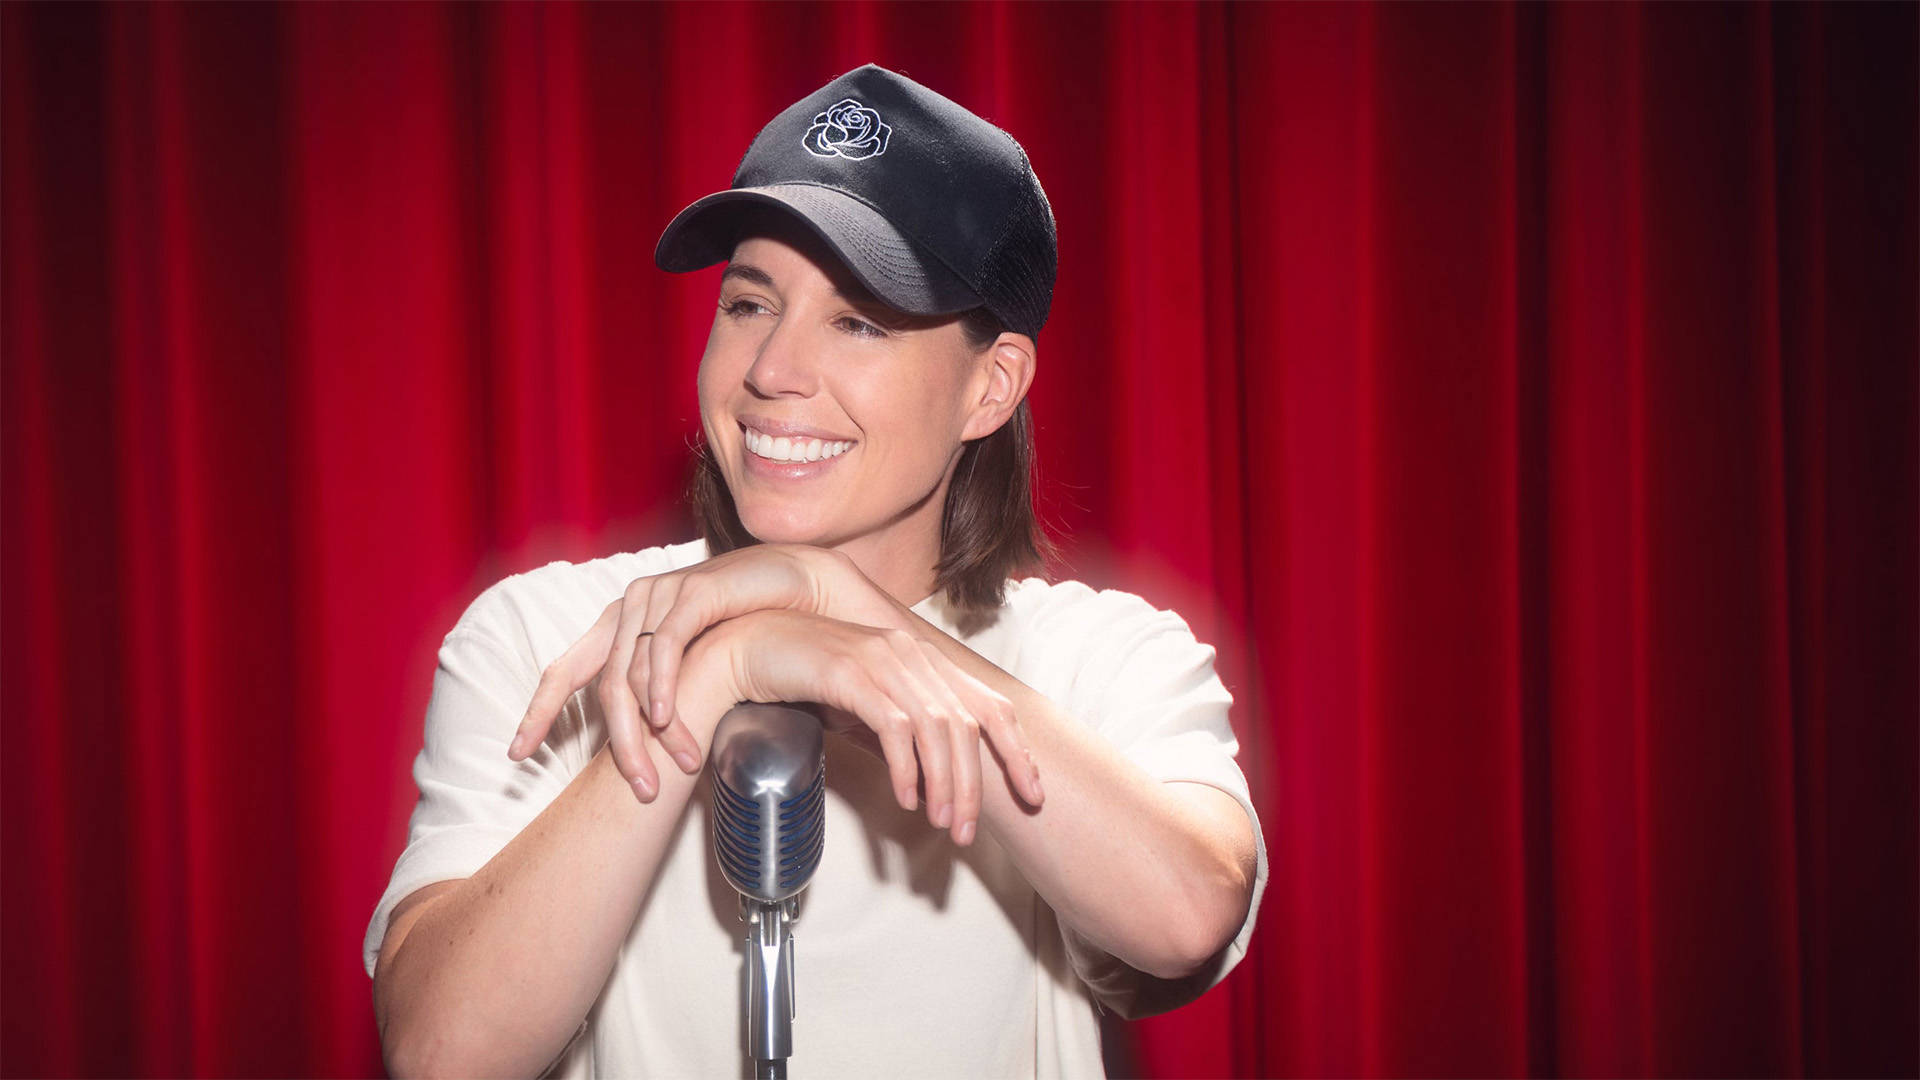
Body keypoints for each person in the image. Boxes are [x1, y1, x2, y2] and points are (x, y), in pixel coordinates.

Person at [364, 63, 1267, 1079]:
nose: (771, 371)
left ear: (991, 387)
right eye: (750, 303)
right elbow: (442, 1050)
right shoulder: (550, 637)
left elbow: (1189, 913)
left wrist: (832, 603)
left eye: (859, 320)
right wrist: (723, 671)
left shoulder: (1104, 658)